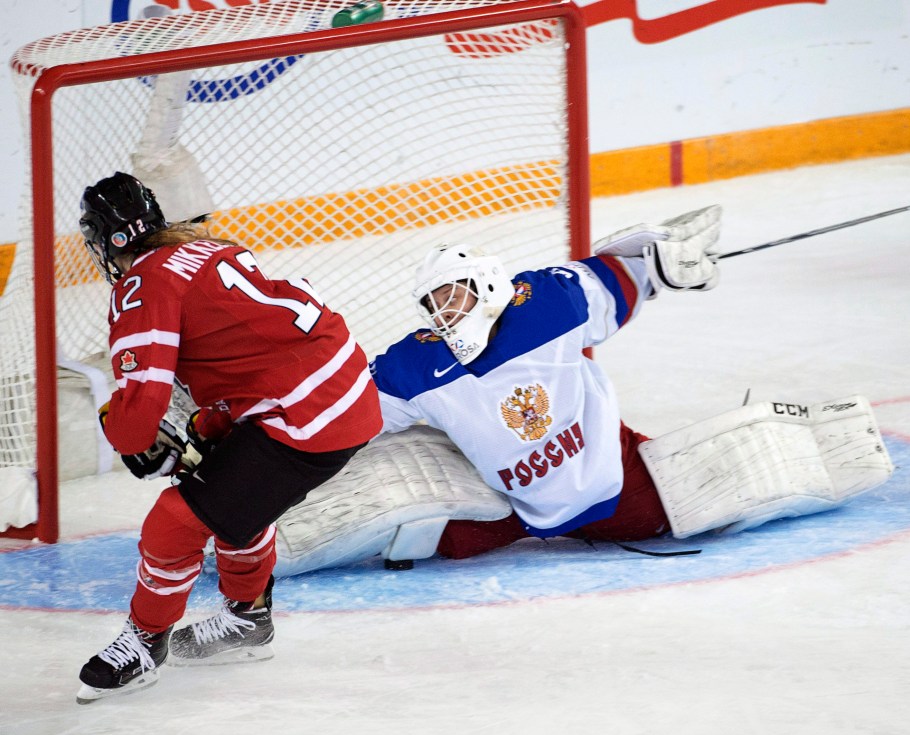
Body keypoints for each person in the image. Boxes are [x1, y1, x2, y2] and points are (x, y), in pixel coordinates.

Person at [359, 206, 892, 562]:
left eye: (456, 295)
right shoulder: (415, 363)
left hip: (614, 491)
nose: (447, 314)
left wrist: (660, 267)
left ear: (490, 284)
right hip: (522, 507)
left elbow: (619, 282)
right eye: (436, 305)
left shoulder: (546, 304)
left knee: (701, 501)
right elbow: (352, 410)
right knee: (411, 540)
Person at [75, 172, 382, 703]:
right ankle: (248, 619)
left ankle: (146, 643)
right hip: (341, 386)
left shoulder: (142, 285)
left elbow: (138, 420)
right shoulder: (206, 248)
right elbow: (245, 349)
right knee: (228, 489)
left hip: (305, 415)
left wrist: (120, 426)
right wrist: (209, 425)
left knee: (174, 523)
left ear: (106, 241)